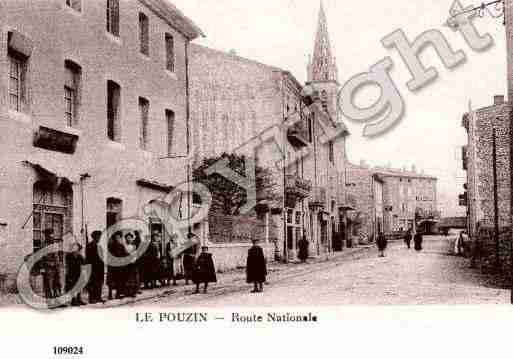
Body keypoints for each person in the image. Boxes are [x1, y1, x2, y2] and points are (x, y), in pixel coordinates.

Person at [41, 228, 62, 299]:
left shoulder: (55, 244)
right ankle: (50, 301)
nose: (51, 236)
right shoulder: (44, 245)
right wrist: (43, 267)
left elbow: (58, 255)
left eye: (52, 235)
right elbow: (42, 257)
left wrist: (58, 264)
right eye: (49, 235)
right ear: (46, 236)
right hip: (48, 267)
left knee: (57, 283)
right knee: (49, 285)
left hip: (56, 267)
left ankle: (58, 300)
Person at [85, 230, 105, 304]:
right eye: (98, 237)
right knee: (92, 283)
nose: (99, 238)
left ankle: (98, 297)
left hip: (99, 268)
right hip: (93, 268)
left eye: (99, 237)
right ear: (94, 237)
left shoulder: (99, 246)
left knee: (99, 282)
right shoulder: (89, 246)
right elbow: (88, 258)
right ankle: (92, 298)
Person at [65, 242, 86, 306]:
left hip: (79, 273)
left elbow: (84, 264)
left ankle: (79, 299)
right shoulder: (68, 256)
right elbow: (67, 265)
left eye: (79, 249)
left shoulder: (80, 256)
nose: (78, 250)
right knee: (72, 287)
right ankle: (73, 300)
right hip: (71, 273)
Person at [107, 231, 125, 300]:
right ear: (114, 238)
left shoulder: (121, 246)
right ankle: (110, 295)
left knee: (119, 280)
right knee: (111, 281)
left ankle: (118, 294)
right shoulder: (111, 245)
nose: (117, 238)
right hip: (112, 265)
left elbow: (124, 255)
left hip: (119, 266)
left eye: (119, 237)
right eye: (116, 237)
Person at [123, 232, 139, 298]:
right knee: (127, 278)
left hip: (133, 263)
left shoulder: (134, 246)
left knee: (134, 278)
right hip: (127, 264)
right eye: (127, 238)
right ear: (125, 239)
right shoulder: (124, 246)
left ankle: (133, 292)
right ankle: (127, 292)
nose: (129, 239)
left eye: (130, 238)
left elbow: (136, 254)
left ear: (132, 239)